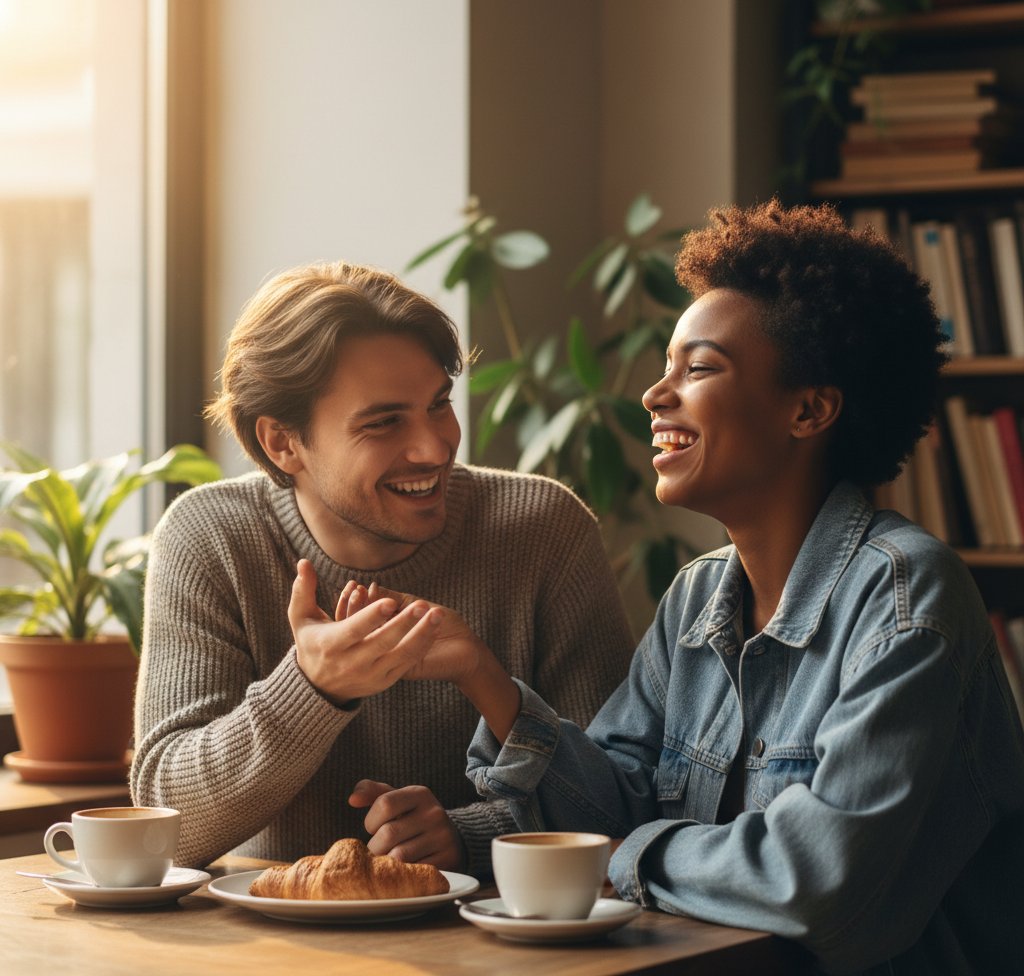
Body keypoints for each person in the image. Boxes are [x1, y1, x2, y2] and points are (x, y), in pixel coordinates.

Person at [395, 201, 1024, 973]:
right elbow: (615, 804)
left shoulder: (906, 598)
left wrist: (631, 857)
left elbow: (816, 876)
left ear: (810, 409)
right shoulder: (696, 600)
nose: (655, 396)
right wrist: (483, 677)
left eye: (697, 369)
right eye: (665, 369)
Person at [130, 260, 634, 876]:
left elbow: (617, 798)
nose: (434, 447)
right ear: (283, 443)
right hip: (264, 943)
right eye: (384, 422)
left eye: (439, 405)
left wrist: (465, 836)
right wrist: (313, 687)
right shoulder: (211, 536)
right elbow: (165, 827)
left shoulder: (543, 528)